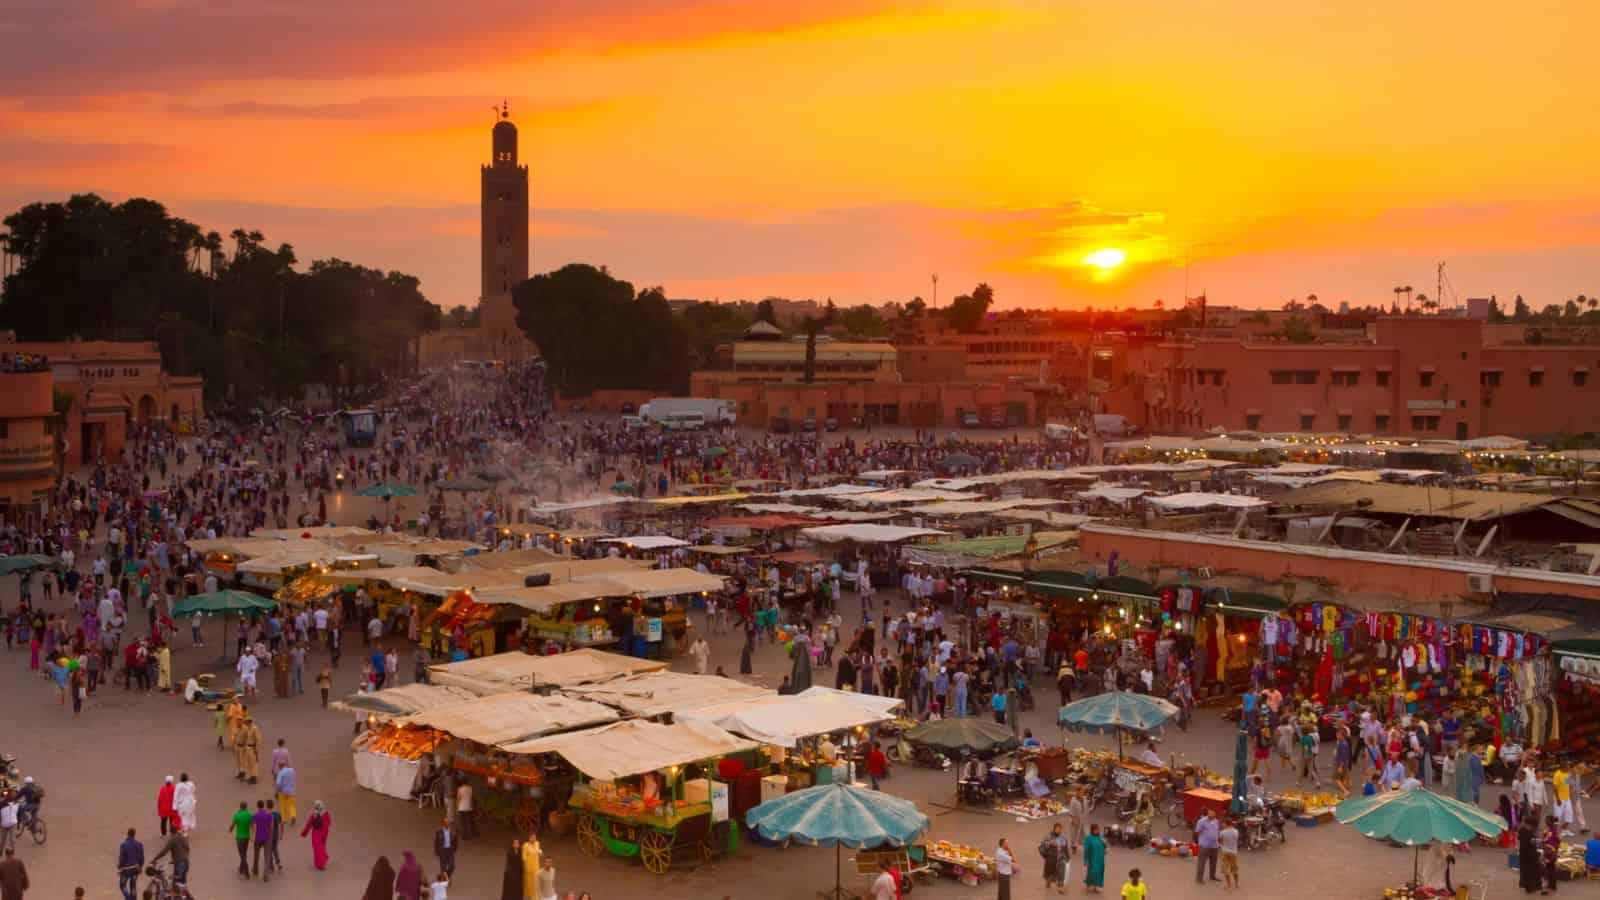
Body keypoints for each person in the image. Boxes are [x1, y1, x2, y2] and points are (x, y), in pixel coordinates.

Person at [1040, 821, 1069, 894]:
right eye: (1057, 828)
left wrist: (1067, 857)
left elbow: (1065, 847)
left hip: (1061, 857)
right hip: (1051, 857)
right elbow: (1043, 844)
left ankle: (1060, 886)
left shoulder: (1063, 837)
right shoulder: (1048, 836)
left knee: (1061, 871)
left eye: (1060, 829)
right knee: (1050, 872)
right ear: (1054, 829)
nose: (1058, 830)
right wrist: (1049, 843)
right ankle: (1048, 881)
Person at [301, 800, 332, 870]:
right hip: (324, 833)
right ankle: (322, 861)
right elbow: (329, 823)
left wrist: (304, 833)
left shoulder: (314, 814)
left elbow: (309, 824)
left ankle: (320, 864)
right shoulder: (326, 813)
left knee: (317, 849)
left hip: (316, 834)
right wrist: (325, 831)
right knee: (322, 848)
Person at [1195, 807, 1220, 883]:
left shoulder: (1216, 821)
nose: (1211, 814)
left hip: (1214, 845)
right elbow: (1197, 832)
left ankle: (1212, 876)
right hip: (1204, 846)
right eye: (1210, 813)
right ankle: (1199, 878)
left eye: (1213, 813)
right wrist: (1199, 842)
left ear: (1215, 814)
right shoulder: (1201, 821)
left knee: (1213, 862)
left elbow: (1217, 831)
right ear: (1208, 813)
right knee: (1202, 862)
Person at [117, 827, 143, 900]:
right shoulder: (139, 844)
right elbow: (141, 858)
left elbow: (122, 858)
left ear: (127, 834)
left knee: (122, 885)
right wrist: (140, 867)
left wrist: (119, 866)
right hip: (136, 869)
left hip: (126, 870)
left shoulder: (124, 845)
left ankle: (128, 898)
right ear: (134, 834)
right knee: (133, 885)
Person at [251, 800, 274, 881]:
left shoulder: (255, 816)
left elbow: (254, 827)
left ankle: (255, 870)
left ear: (257, 806)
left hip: (258, 837)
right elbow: (271, 827)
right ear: (263, 806)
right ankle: (265, 875)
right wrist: (270, 835)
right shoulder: (269, 815)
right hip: (267, 837)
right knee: (267, 856)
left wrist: (252, 837)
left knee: (256, 855)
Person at [230, 801, 252, 879]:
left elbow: (232, 825)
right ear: (246, 807)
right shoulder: (249, 814)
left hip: (239, 838)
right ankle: (241, 868)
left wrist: (230, 830)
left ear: (240, 807)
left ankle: (247, 872)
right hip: (247, 837)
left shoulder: (237, 815)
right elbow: (251, 825)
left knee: (242, 855)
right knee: (244, 853)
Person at [1082, 823, 1107, 893]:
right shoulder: (1088, 838)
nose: (1097, 831)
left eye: (1098, 829)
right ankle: (1089, 884)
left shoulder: (1101, 837)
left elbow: (1105, 846)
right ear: (1092, 830)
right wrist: (1086, 860)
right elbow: (1086, 850)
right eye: (1095, 830)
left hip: (1101, 859)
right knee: (1092, 872)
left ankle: (1097, 886)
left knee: (1100, 872)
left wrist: (1105, 844)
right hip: (1092, 858)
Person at [1219, 816, 1240, 888]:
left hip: (1225, 852)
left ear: (1226, 823)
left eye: (1223, 823)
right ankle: (1236, 884)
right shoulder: (1236, 831)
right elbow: (1236, 840)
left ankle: (1228, 885)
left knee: (1226, 869)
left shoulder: (1222, 832)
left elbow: (1221, 842)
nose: (1222, 824)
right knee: (1234, 868)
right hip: (1234, 852)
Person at [521, 834, 540, 900]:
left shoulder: (537, 843)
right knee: (529, 882)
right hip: (528, 866)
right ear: (529, 838)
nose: (533, 839)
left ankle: (534, 896)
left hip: (536, 866)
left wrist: (540, 852)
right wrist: (526, 865)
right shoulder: (525, 845)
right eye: (532, 838)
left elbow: (538, 851)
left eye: (534, 838)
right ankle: (528, 893)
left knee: (535, 881)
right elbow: (524, 856)